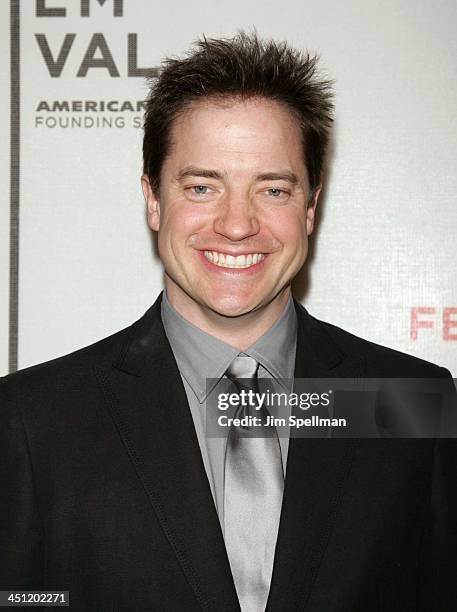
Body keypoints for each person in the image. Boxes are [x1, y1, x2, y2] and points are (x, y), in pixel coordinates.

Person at [1, 32, 456, 611]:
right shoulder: (31, 423)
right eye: (201, 186)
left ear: (311, 206)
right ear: (152, 199)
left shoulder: (410, 402)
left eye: (272, 189)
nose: (237, 225)